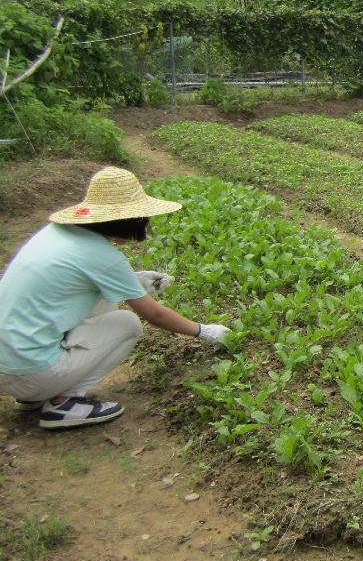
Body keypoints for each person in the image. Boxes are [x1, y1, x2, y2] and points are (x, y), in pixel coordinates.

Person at [0, 167, 231, 430]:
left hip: (9, 364)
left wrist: (135, 280)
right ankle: (65, 403)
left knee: (102, 301)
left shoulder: (54, 234)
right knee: (128, 324)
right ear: (127, 220)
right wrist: (205, 331)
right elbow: (155, 315)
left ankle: (35, 394)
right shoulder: (103, 257)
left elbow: (75, 283)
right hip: (30, 371)